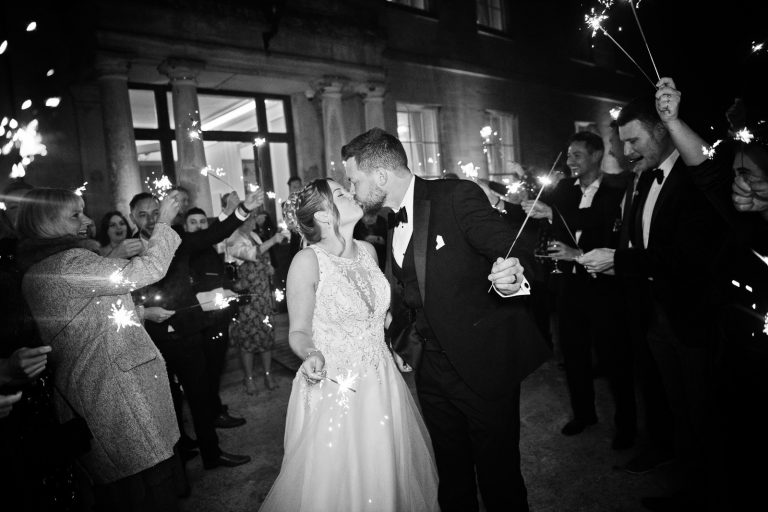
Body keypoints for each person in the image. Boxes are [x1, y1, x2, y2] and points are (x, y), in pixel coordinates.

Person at [342, 128, 550, 512]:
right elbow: (411, 291)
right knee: (452, 477)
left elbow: (515, 249)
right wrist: (404, 340)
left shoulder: (456, 196)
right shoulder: (390, 222)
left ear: (381, 176)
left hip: (480, 365)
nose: (352, 189)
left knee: (499, 477)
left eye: (354, 179)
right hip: (431, 370)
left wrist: (511, 276)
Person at [578, 90, 729, 511]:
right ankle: (688, 482)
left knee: (703, 412)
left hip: (690, 316)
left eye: (634, 141)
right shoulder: (645, 177)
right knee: (675, 405)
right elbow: (639, 240)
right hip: (653, 312)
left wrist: (620, 260)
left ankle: (710, 492)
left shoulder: (693, 177)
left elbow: (687, 257)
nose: (626, 151)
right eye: (622, 142)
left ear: (662, 133)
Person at [259, 178, 438, 511]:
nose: (352, 193)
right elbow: (297, 331)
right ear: (325, 216)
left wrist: (397, 343)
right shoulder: (307, 261)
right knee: (341, 476)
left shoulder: (369, 251)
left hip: (381, 378)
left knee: (384, 463)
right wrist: (310, 353)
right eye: (340, 193)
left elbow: (378, 314)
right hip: (337, 383)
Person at [16, 188, 185, 510]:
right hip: (116, 397)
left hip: (98, 394)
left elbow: (88, 317)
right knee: (148, 490)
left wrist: (140, 312)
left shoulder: (43, 268)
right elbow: (149, 269)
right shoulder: (67, 264)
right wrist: (164, 222)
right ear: (48, 223)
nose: (89, 221)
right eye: (75, 215)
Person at [522, 131, 636, 449]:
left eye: (577, 155)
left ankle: (627, 425)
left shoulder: (617, 188)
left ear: (597, 155)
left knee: (615, 359)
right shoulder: (562, 189)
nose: (570, 161)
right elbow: (555, 226)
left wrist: (553, 214)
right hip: (570, 284)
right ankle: (584, 414)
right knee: (573, 353)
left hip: (606, 285)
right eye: (569, 155)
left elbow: (602, 220)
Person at [132, 191, 256, 470]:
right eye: (143, 214)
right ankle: (178, 457)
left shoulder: (175, 237)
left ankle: (211, 454)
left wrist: (243, 208)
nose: (152, 219)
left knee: (199, 395)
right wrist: (143, 312)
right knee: (166, 401)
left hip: (186, 331)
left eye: (156, 212)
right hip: (148, 337)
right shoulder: (122, 249)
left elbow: (212, 235)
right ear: (132, 217)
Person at [225, 213, 287, 394]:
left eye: (253, 218)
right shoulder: (233, 239)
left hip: (263, 294)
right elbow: (251, 254)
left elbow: (263, 258)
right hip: (247, 296)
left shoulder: (254, 236)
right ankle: (249, 378)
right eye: (249, 219)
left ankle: (268, 374)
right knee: (248, 337)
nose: (253, 221)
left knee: (266, 335)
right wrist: (275, 239)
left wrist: (270, 268)